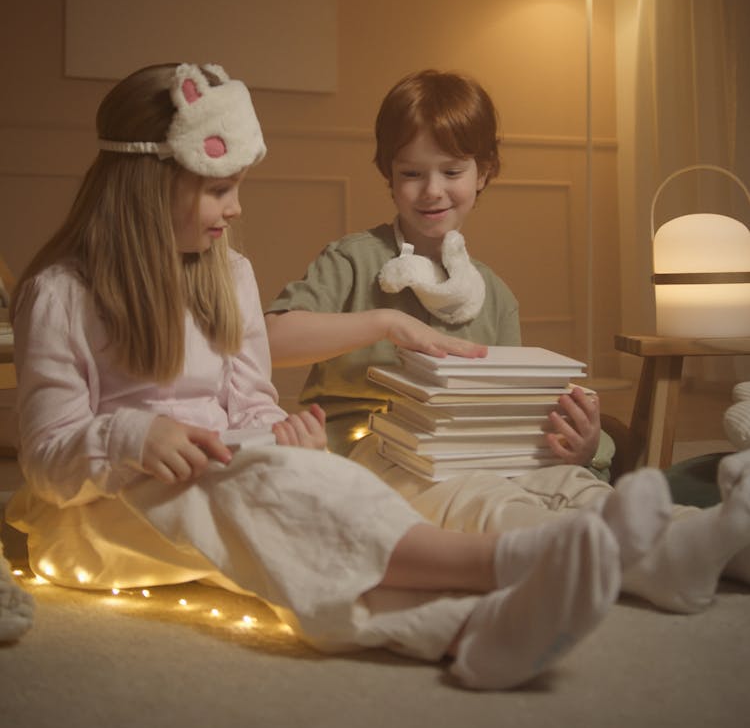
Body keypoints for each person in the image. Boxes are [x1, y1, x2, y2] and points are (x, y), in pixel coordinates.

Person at [11, 60, 683, 694]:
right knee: (263, 507)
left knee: (304, 523)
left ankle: (470, 629)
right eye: (221, 188)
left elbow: (248, 402)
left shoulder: (227, 276)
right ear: (147, 185)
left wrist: (277, 436)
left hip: (228, 481)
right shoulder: (59, 295)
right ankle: (510, 560)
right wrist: (134, 434)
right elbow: (46, 460)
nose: (237, 207)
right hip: (99, 518)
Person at [265, 69, 750, 612]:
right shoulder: (353, 260)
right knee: (489, 504)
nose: (432, 191)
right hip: (371, 449)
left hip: (485, 453)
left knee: (574, 486)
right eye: (411, 173)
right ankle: (644, 565)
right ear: (388, 175)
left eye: (451, 170)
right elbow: (270, 339)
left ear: (483, 172)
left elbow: (519, 414)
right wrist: (384, 322)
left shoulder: (494, 294)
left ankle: (716, 542)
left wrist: (583, 446)